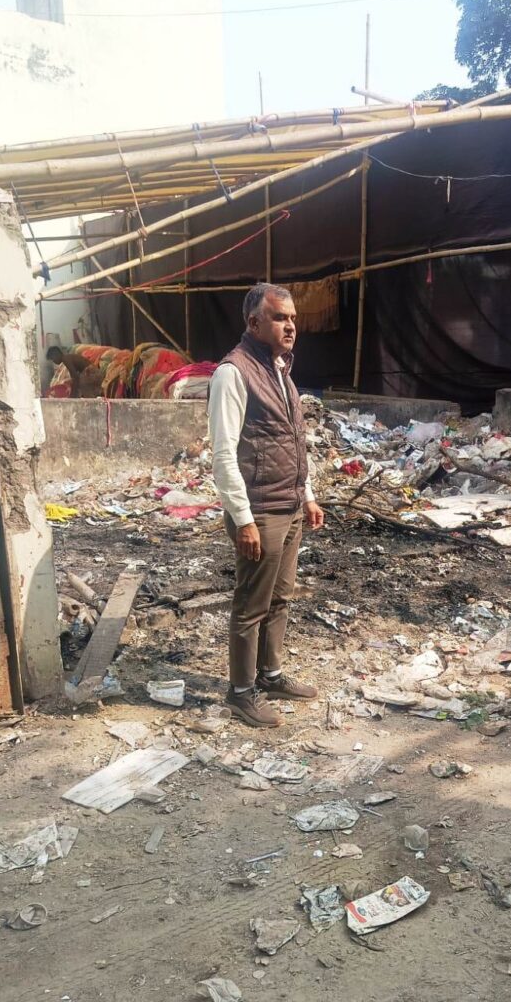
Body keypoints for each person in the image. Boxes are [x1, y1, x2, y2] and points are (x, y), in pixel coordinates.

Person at [208, 283, 324, 727]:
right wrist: (243, 520)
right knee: (251, 605)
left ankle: (270, 676)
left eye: (292, 318)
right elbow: (223, 454)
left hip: (289, 505)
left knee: (280, 598)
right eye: (279, 318)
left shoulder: (280, 371)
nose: (290, 326)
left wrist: (306, 496)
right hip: (260, 511)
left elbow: (291, 441)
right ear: (254, 323)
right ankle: (241, 693)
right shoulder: (233, 373)